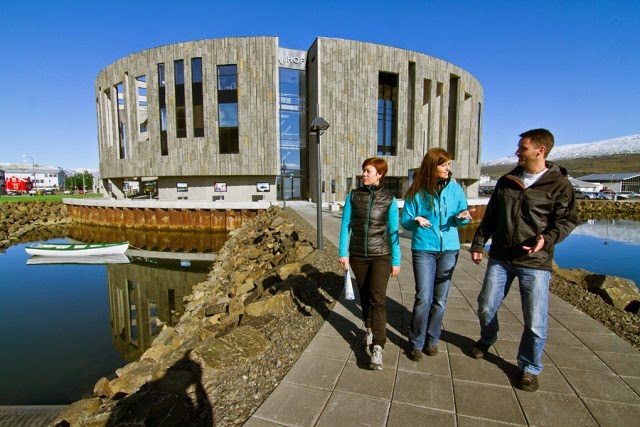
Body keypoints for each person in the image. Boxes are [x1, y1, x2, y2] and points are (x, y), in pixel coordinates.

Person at [469, 128, 577, 392]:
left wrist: (547, 239)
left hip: (535, 261)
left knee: (535, 320)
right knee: (485, 305)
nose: (517, 152)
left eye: (523, 148)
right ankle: (488, 337)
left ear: (540, 150)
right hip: (501, 257)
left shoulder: (559, 185)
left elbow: (566, 221)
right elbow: (491, 216)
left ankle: (529, 366)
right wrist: (479, 243)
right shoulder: (507, 181)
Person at [401, 148, 472, 361]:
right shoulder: (416, 191)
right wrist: (415, 221)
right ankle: (416, 342)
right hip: (424, 249)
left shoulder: (455, 189)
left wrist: (462, 218)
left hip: (449, 249)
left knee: (440, 299)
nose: (448, 168)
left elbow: (462, 217)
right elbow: (406, 221)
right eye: (444, 164)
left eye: (449, 164)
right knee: (424, 297)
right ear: (433, 166)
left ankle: (432, 340)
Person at [339, 157, 401, 370]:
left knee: (377, 299)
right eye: (364, 171)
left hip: (381, 255)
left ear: (379, 174)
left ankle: (378, 346)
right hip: (358, 255)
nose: (364, 174)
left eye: (368, 171)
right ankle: (369, 328)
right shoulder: (354, 196)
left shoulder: (389, 199)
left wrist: (396, 260)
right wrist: (343, 253)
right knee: (365, 295)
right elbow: (345, 224)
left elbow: (394, 231)